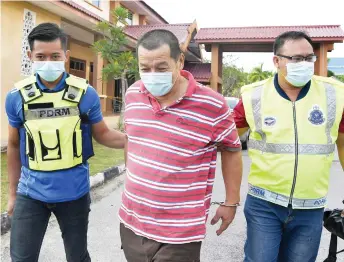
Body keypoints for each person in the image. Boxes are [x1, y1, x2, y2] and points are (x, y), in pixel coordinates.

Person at [119, 29, 243, 262]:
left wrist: (230, 202)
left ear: (180, 61)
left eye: (161, 68)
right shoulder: (133, 93)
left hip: (179, 232)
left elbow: (232, 150)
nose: (152, 75)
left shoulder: (212, 104)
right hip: (132, 222)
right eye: (145, 68)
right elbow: (130, 138)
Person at [5, 23, 126, 262]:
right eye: (40, 56)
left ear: (66, 56)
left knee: (77, 257)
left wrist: (139, 140)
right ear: (30, 56)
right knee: (21, 258)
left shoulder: (85, 93)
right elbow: (13, 145)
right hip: (31, 194)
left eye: (54, 56)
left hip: (75, 193)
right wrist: (12, 194)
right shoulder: (16, 96)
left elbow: (102, 133)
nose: (48, 61)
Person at [234, 31, 344, 262]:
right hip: (264, 204)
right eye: (296, 59)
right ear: (277, 60)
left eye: (309, 58)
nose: (304, 64)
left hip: (310, 206)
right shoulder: (253, 96)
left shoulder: (334, 93)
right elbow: (225, 139)